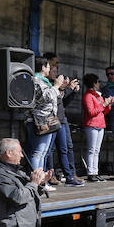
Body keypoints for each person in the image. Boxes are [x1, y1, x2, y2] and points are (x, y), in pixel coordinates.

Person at [42, 52, 82, 187]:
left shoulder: (57, 86)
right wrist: (64, 88)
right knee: (48, 150)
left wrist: (71, 91)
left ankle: (70, 175)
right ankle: (49, 175)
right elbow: (53, 101)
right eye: (54, 67)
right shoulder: (48, 86)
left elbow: (62, 103)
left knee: (66, 148)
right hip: (52, 119)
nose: (56, 70)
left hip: (61, 119)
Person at [24, 57, 64, 184]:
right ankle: (37, 182)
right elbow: (45, 97)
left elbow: (54, 98)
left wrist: (60, 88)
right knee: (37, 152)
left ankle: (41, 182)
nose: (49, 69)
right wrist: (56, 85)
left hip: (46, 120)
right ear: (42, 67)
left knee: (42, 153)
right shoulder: (36, 80)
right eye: (48, 66)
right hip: (39, 120)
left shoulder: (43, 81)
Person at [81, 73, 113, 182]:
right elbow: (91, 112)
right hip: (92, 125)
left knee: (97, 150)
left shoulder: (97, 95)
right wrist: (103, 105)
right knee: (92, 150)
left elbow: (104, 111)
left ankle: (95, 171)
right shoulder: (88, 96)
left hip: (100, 124)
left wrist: (108, 104)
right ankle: (90, 172)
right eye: (98, 82)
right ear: (94, 83)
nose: (99, 84)